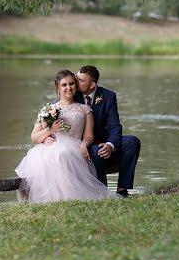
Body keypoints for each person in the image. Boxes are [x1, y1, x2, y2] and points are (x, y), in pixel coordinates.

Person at [14, 70, 117, 203]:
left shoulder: (84, 109)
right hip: (48, 147)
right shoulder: (48, 109)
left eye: (72, 84)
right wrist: (49, 131)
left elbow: (89, 136)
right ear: (57, 87)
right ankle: (52, 198)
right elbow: (34, 137)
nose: (69, 88)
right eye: (64, 85)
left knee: (62, 154)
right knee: (50, 156)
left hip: (73, 147)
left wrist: (84, 143)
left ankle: (68, 198)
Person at [76, 65, 141, 197]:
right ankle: (100, 190)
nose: (76, 83)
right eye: (77, 78)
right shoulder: (72, 93)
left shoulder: (108, 96)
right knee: (95, 151)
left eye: (81, 80)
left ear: (92, 85)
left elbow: (115, 125)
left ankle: (122, 190)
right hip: (83, 144)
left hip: (103, 141)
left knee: (132, 142)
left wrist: (110, 145)